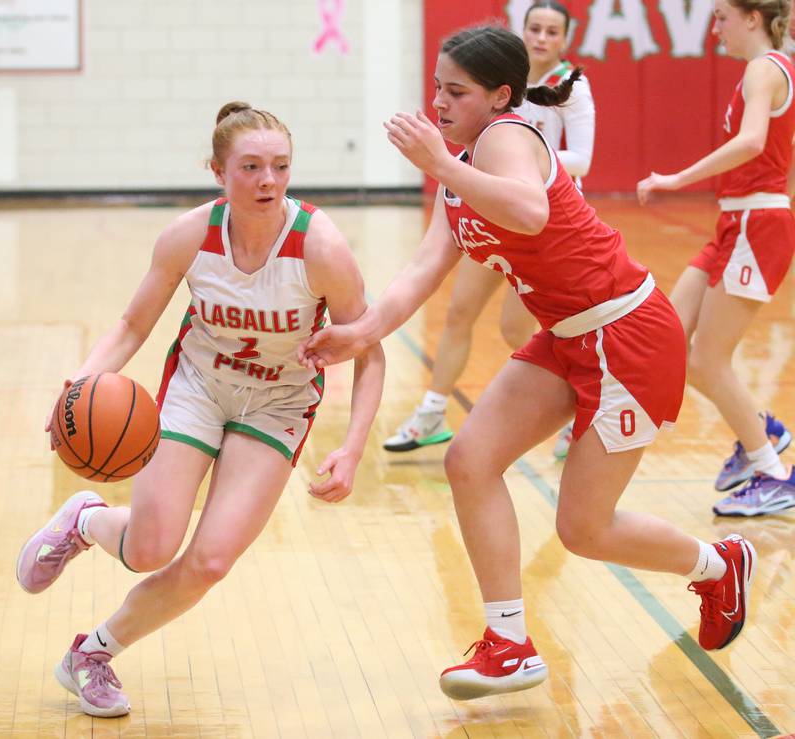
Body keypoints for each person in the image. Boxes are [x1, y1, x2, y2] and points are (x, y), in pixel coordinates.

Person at [299, 25, 756, 700]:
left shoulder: (504, 138)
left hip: (626, 334)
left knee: (583, 529)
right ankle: (509, 643)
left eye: (457, 91)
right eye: (436, 88)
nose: (441, 102)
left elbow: (532, 209)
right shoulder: (459, 168)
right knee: (469, 458)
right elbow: (424, 269)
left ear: (500, 96)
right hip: (569, 335)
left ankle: (718, 565)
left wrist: (444, 166)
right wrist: (361, 331)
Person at [15, 102, 385, 717]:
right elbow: (133, 323)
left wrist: (352, 446)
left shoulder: (320, 246)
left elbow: (369, 352)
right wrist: (77, 388)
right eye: (251, 167)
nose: (268, 181)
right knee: (151, 547)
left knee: (210, 561)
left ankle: (93, 654)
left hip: (279, 403)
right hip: (199, 385)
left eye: (280, 167)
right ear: (218, 171)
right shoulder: (190, 235)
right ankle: (86, 522)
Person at [382, 1, 595, 461]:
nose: (541, 37)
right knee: (459, 312)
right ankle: (432, 411)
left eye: (551, 31)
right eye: (533, 28)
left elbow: (583, 158)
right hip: (488, 212)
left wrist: (531, 162)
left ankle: (579, 399)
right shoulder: (486, 89)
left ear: (565, 39)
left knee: (519, 330)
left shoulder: (567, 91)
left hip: (536, 223)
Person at [638, 0, 795, 517]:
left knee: (707, 356)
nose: (715, 27)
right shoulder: (770, 70)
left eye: (722, 16)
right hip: (735, 222)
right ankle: (762, 428)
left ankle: (774, 474)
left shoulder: (763, 69)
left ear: (752, 18)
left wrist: (676, 179)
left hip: (756, 223)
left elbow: (752, 143)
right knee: (670, 338)